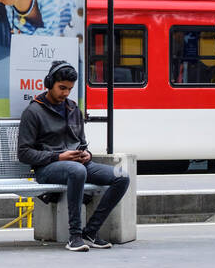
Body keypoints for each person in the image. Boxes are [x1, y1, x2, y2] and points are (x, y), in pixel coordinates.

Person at [17, 60, 130, 251]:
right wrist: (58, 157)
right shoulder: (33, 112)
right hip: (48, 168)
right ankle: (74, 236)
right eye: (62, 88)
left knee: (122, 176)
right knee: (77, 170)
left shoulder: (73, 109)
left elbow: (82, 143)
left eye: (69, 89)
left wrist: (87, 154)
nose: (66, 93)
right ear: (49, 83)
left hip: (78, 165)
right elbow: (24, 153)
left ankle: (90, 232)